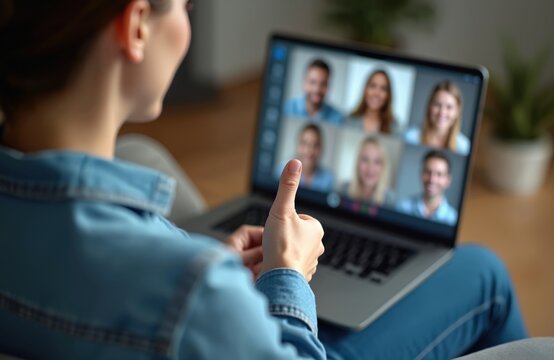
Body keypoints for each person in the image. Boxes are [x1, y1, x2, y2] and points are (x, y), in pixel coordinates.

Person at [0, 1, 528, 359]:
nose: (187, 22)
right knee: (483, 273)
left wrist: (219, 268)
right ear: (137, 24)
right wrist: (289, 277)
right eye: (184, 6)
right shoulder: (194, 289)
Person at [404, 80, 471, 155]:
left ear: (457, 112)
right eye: (437, 104)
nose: (442, 112)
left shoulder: (464, 146)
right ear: (429, 106)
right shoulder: (410, 137)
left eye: (449, 107)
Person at [397, 150, 458, 225]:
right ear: (421, 174)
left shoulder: (453, 219)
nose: (432, 180)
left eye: (439, 174)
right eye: (428, 172)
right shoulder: (402, 207)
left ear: (448, 180)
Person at [284, 59, 345, 125]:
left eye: (323, 84)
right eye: (312, 82)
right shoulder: (286, 109)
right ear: (304, 83)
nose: (317, 89)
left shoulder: (338, 118)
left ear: (328, 86)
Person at [279, 123, 334, 192]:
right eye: (305, 143)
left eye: (315, 145)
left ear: (321, 148)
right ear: (298, 145)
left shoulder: (328, 178)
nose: (310, 151)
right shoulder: (283, 170)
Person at [341, 136, 394, 205]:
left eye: (377, 162)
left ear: (383, 167)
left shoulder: (389, 200)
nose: (370, 169)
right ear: (357, 163)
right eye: (365, 159)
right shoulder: (344, 190)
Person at [347, 69, 396, 134]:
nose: (376, 93)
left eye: (383, 89)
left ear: (388, 95)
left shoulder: (394, 128)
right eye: (373, 86)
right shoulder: (349, 121)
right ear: (365, 90)